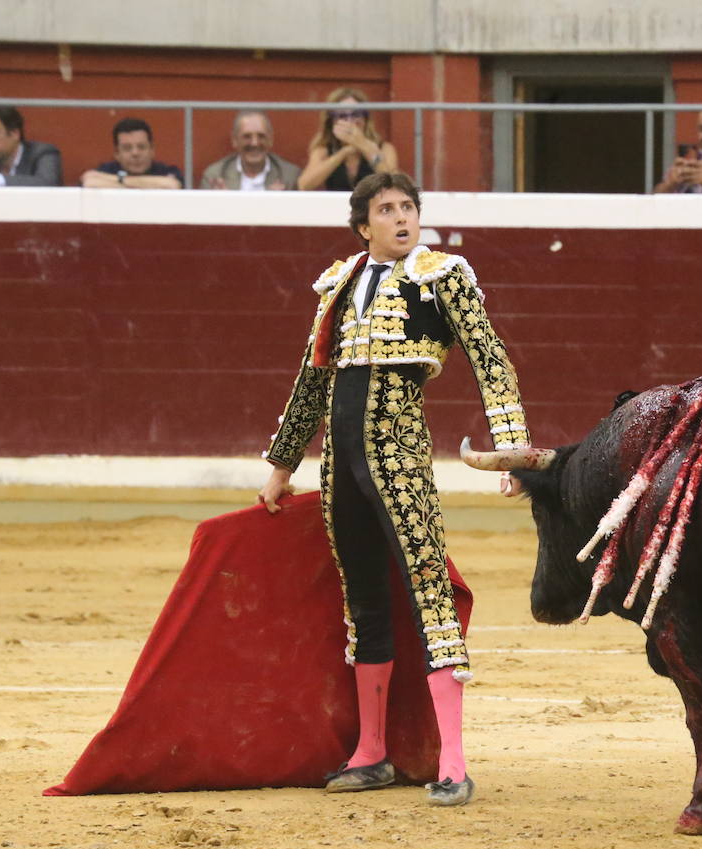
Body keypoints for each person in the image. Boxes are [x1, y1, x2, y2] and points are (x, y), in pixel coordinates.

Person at [256, 171, 531, 807]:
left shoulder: (444, 277)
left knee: (427, 588)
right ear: (364, 225)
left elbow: (491, 361)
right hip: (339, 466)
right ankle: (371, 753)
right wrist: (282, 463)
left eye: (409, 207)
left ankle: (453, 761)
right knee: (363, 598)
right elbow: (312, 380)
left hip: (400, 455)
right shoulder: (337, 284)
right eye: (387, 209)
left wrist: (512, 453)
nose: (403, 218)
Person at [297, 87, 400, 191]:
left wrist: (363, 145)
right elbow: (304, 185)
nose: (350, 120)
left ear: (366, 119)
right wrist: (343, 152)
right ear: (331, 121)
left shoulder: (384, 147)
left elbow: (393, 183)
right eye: (342, 115)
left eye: (356, 114)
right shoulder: (323, 149)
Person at [199, 111, 301, 191]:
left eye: (261, 136)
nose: (255, 143)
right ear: (234, 140)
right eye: (247, 137)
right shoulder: (215, 175)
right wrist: (221, 201)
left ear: (270, 140)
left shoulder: (289, 176)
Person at [80, 118, 185, 189]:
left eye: (141, 147)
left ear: (152, 150)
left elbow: (172, 185)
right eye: (127, 148)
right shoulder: (108, 169)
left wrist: (119, 180)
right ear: (117, 153)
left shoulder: (166, 171)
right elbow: (89, 182)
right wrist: (149, 185)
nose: (135, 153)